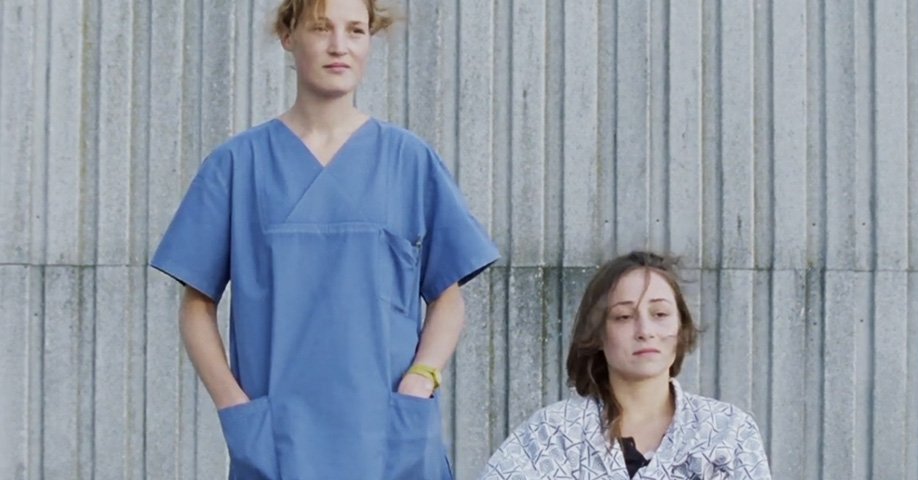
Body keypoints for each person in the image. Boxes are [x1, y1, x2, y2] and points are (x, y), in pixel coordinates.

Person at [150, 0, 499, 478]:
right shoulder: (238, 165)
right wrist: (232, 404)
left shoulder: (409, 160)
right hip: (278, 442)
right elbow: (196, 304)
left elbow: (447, 297)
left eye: (355, 30)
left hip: (391, 437)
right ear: (288, 36)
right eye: (321, 28)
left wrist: (422, 379)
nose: (339, 46)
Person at [481, 252, 771, 479]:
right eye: (623, 317)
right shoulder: (551, 434)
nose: (645, 331)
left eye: (660, 314)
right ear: (597, 334)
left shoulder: (728, 431)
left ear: (681, 327)